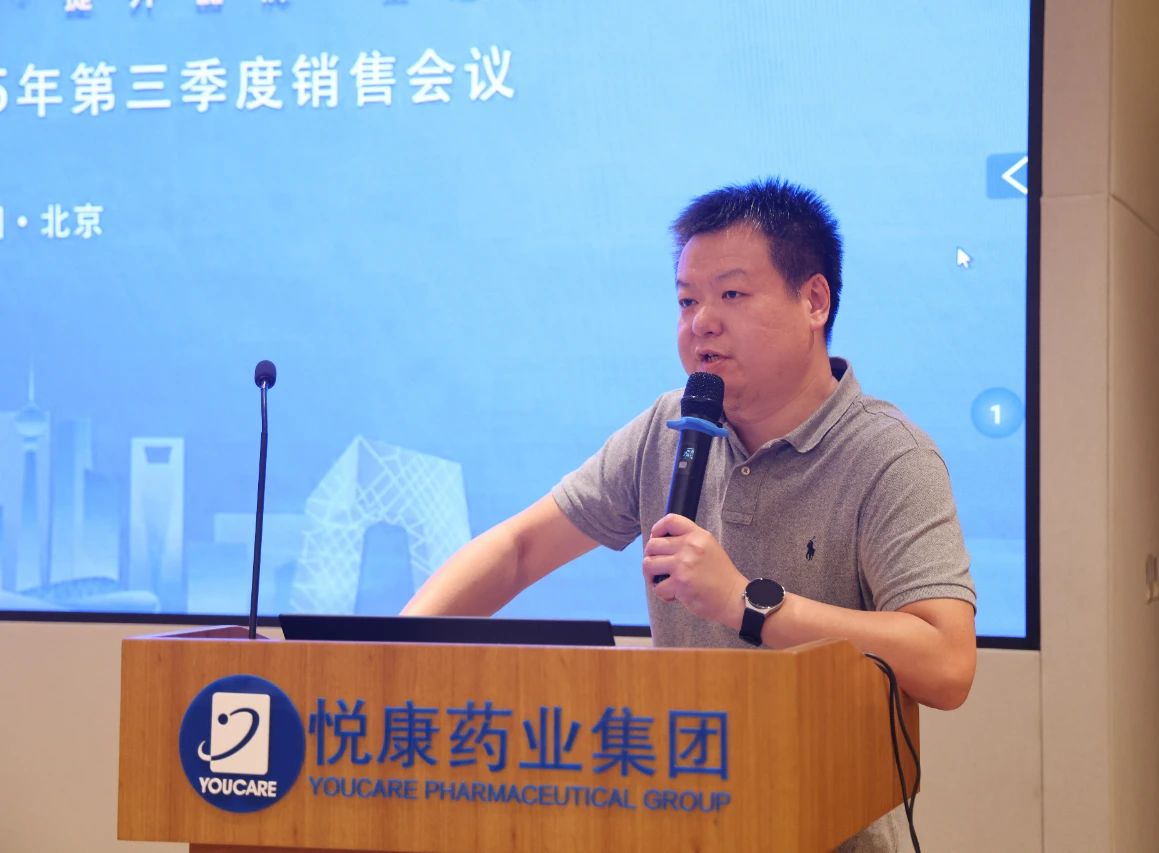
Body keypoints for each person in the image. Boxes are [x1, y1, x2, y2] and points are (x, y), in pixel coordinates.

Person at [403, 178, 977, 852]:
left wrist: (747, 604)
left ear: (815, 300)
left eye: (731, 294)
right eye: (686, 300)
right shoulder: (670, 427)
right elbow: (520, 550)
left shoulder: (888, 455)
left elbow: (947, 663)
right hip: (683, 820)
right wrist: (383, 653)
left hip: (828, 830)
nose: (701, 321)